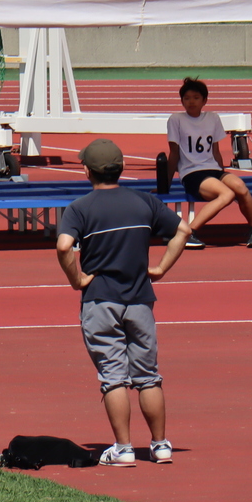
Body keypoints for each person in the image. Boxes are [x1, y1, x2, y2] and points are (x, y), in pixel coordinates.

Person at [55, 138, 190, 467]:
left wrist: (77, 279)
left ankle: (124, 448)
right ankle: (160, 445)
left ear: (87, 171)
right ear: (121, 168)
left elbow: (63, 246)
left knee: (113, 376)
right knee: (148, 376)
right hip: (140, 299)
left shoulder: (80, 208)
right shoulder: (144, 202)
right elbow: (183, 230)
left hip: (101, 300)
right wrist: (160, 268)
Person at [165, 77, 252, 250]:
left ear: (204, 100)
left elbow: (216, 150)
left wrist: (223, 173)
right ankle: (189, 233)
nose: (191, 102)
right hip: (192, 172)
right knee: (226, 194)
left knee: (240, 187)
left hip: (213, 169)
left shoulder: (212, 118)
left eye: (195, 98)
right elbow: (173, 154)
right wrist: (164, 184)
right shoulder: (176, 120)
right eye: (186, 98)